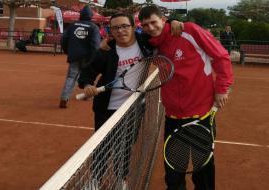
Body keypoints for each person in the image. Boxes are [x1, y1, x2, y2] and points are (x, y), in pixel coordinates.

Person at [138, 5, 233, 190]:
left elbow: (221, 56)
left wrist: (222, 88)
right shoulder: (150, 44)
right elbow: (123, 36)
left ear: (163, 20)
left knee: (202, 170)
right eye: (145, 25)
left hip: (201, 116)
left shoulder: (188, 30)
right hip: (172, 116)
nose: (150, 27)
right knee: (174, 172)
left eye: (153, 22)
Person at [78, 13, 154, 189]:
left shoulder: (145, 43)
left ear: (133, 26)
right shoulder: (106, 51)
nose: (120, 31)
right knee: (102, 146)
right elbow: (87, 72)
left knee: (125, 146)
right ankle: (95, 180)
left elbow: (161, 30)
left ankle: (121, 179)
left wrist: (174, 22)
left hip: (134, 107)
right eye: (115, 28)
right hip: (106, 108)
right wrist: (88, 84)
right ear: (110, 31)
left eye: (124, 26)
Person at [59, 5, 101, 108]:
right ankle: (87, 95)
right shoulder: (94, 27)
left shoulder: (73, 25)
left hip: (74, 56)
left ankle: (64, 98)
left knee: (71, 77)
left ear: (81, 15)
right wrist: (94, 57)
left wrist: (67, 51)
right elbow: (96, 44)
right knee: (88, 77)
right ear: (91, 16)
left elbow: (64, 39)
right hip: (88, 57)